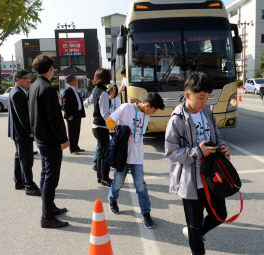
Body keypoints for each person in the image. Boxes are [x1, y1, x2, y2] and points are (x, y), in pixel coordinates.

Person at [164, 72, 231, 255]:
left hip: (212, 176)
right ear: (188, 95)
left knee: (220, 215)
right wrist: (197, 152)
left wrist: (222, 146)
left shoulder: (208, 112)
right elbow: (170, 152)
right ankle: (196, 243)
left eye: (207, 98)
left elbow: (217, 137)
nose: (204, 102)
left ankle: (195, 233)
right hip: (190, 181)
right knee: (194, 224)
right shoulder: (177, 119)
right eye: (201, 97)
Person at [106, 92, 165, 229]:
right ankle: (112, 199)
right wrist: (119, 129)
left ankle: (146, 213)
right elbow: (109, 121)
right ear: (148, 105)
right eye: (154, 110)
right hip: (122, 154)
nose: (154, 113)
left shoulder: (147, 116)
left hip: (137, 157)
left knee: (140, 186)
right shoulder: (126, 107)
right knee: (118, 182)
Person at [28, 55, 70, 229]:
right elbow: (55, 118)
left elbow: (30, 113)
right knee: (51, 179)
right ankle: (47, 217)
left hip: (41, 138)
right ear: (51, 68)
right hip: (50, 140)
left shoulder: (33, 86)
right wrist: (63, 138)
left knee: (46, 175)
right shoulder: (47, 88)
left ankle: (50, 207)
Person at [8, 69, 40, 196]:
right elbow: (22, 116)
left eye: (28, 78)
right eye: (25, 78)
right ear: (17, 80)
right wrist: (30, 131)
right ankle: (29, 186)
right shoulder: (17, 93)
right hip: (22, 132)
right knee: (26, 159)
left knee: (19, 157)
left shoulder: (18, 91)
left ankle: (19, 181)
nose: (28, 80)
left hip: (18, 132)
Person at [92, 68, 112, 187]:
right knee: (105, 153)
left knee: (101, 153)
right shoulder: (103, 93)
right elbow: (105, 114)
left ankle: (100, 177)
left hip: (96, 126)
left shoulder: (96, 90)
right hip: (101, 127)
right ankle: (105, 178)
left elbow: (88, 102)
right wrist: (114, 126)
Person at [62, 74, 86, 155]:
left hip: (77, 114)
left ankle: (76, 147)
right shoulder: (68, 91)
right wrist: (69, 115)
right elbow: (65, 104)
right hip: (72, 116)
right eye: (75, 80)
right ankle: (72, 149)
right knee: (72, 132)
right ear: (71, 81)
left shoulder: (75, 90)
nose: (77, 82)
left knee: (77, 131)